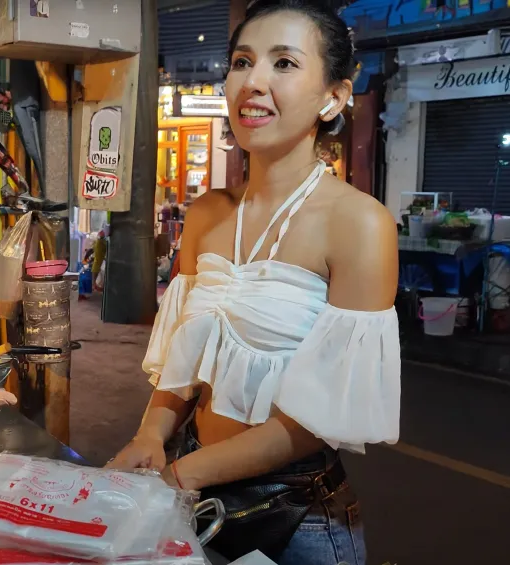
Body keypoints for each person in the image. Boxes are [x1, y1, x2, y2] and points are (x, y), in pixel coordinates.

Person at [107, 1, 400, 563]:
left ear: (333, 97)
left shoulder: (360, 224)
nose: (253, 82)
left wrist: (177, 473)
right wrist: (150, 435)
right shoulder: (207, 212)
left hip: (296, 519)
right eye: (242, 62)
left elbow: (318, 419)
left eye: (284, 63)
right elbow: (181, 363)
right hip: (191, 496)